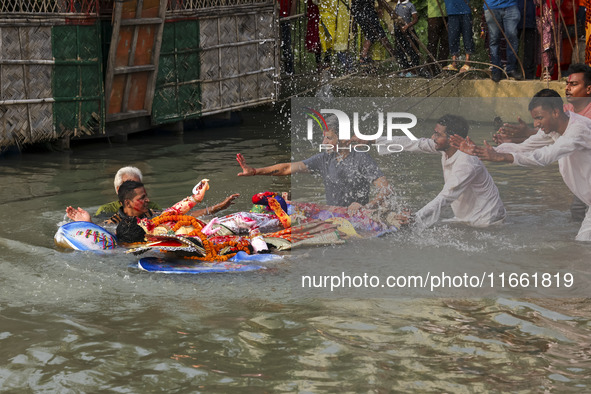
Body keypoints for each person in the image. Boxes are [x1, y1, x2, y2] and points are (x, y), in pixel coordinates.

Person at [451, 89, 591, 241]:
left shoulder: (578, 129)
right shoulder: (554, 129)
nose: (536, 124)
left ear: (556, 112)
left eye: (539, 118)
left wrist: (501, 157)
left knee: (583, 244)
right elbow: (524, 148)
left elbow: (544, 157)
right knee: (583, 247)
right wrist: (484, 151)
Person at [236, 116, 392, 216]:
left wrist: (366, 206)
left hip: (359, 217)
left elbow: (386, 189)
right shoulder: (324, 159)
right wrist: (255, 171)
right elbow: (287, 168)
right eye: (323, 138)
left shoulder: (361, 158)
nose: (324, 143)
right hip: (334, 216)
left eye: (329, 138)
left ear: (344, 138)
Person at [373, 114, 506, 228]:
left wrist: (415, 218)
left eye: (438, 134)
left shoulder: (467, 162)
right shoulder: (444, 147)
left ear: (452, 139)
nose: (432, 137)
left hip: (487, 222)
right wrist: (373, 140)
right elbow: (413, 143)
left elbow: (445, 196)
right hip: (467, 219)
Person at [494, 64, 591, 220]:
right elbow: (548, 133)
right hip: (582, 176)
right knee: (578, 215)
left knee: (579, 214)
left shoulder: (579, 124)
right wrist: (510, 143)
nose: (567, 88)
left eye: (574, 84)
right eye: (567, 83)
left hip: (584, 175)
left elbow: (549, 150)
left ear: (588, 89)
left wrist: (504, 155)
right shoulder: (565, 110)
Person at [95, 166, 160, 216]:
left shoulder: (152, 208)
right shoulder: (106, 210)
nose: (135, 187)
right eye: (129, 185)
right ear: (118, 189)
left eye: (137, 184)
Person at [484, 0, 523, 82]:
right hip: (491, 6)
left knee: (512, 35)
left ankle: (511, 69)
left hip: (511, 5)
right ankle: (496, 69)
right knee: (494, 39)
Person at [442, 0, 474, 72]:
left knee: (467, 37)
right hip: (452, 11)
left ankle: (467, 62)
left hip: (465, 11)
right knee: (453, 38)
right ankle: (454, 63)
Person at [393, 0, 421, 76]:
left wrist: (407, 26)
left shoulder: (410, 5)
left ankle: (413, 70)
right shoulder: (397, 5)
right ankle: (405, 69)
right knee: (400, 50)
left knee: (411, 49)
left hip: (408, 31)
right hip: (398, 31)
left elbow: (415, 19)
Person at [427, 0, 449, 73]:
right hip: (434, 15)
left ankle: (442, 67)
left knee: (445, 42)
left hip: (448, 14)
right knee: (433, 43)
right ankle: (430, 68)